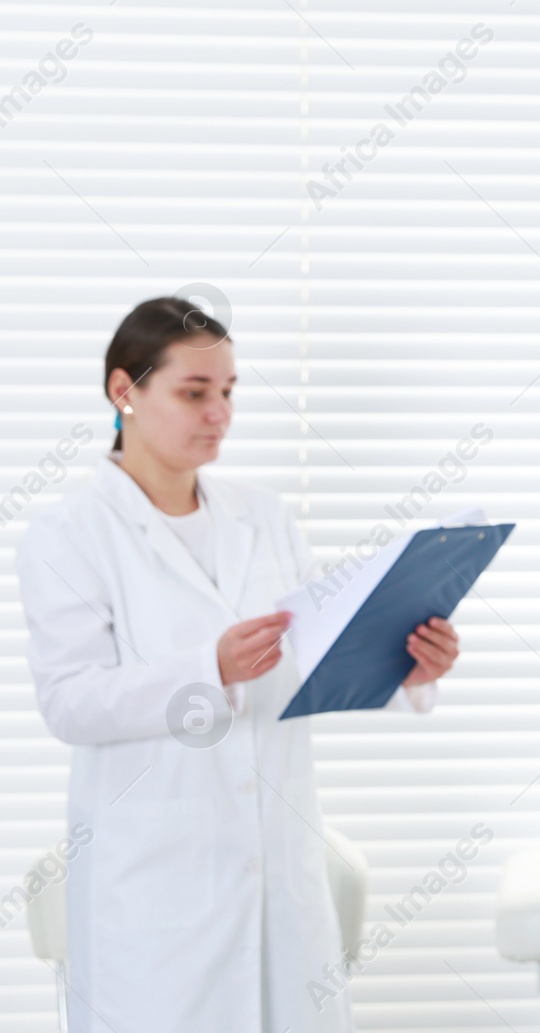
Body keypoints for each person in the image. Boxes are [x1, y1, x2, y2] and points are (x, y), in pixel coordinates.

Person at [15, 298, 462, 1032]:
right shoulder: (68, 535)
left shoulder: (265, 517)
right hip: (156, 896)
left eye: (227, 392)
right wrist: (206, 668)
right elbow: (71, 703)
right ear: (124, 391)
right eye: (195, 392)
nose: (218, 412)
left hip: (281, 884)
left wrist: (404, 669)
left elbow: (303, 668)